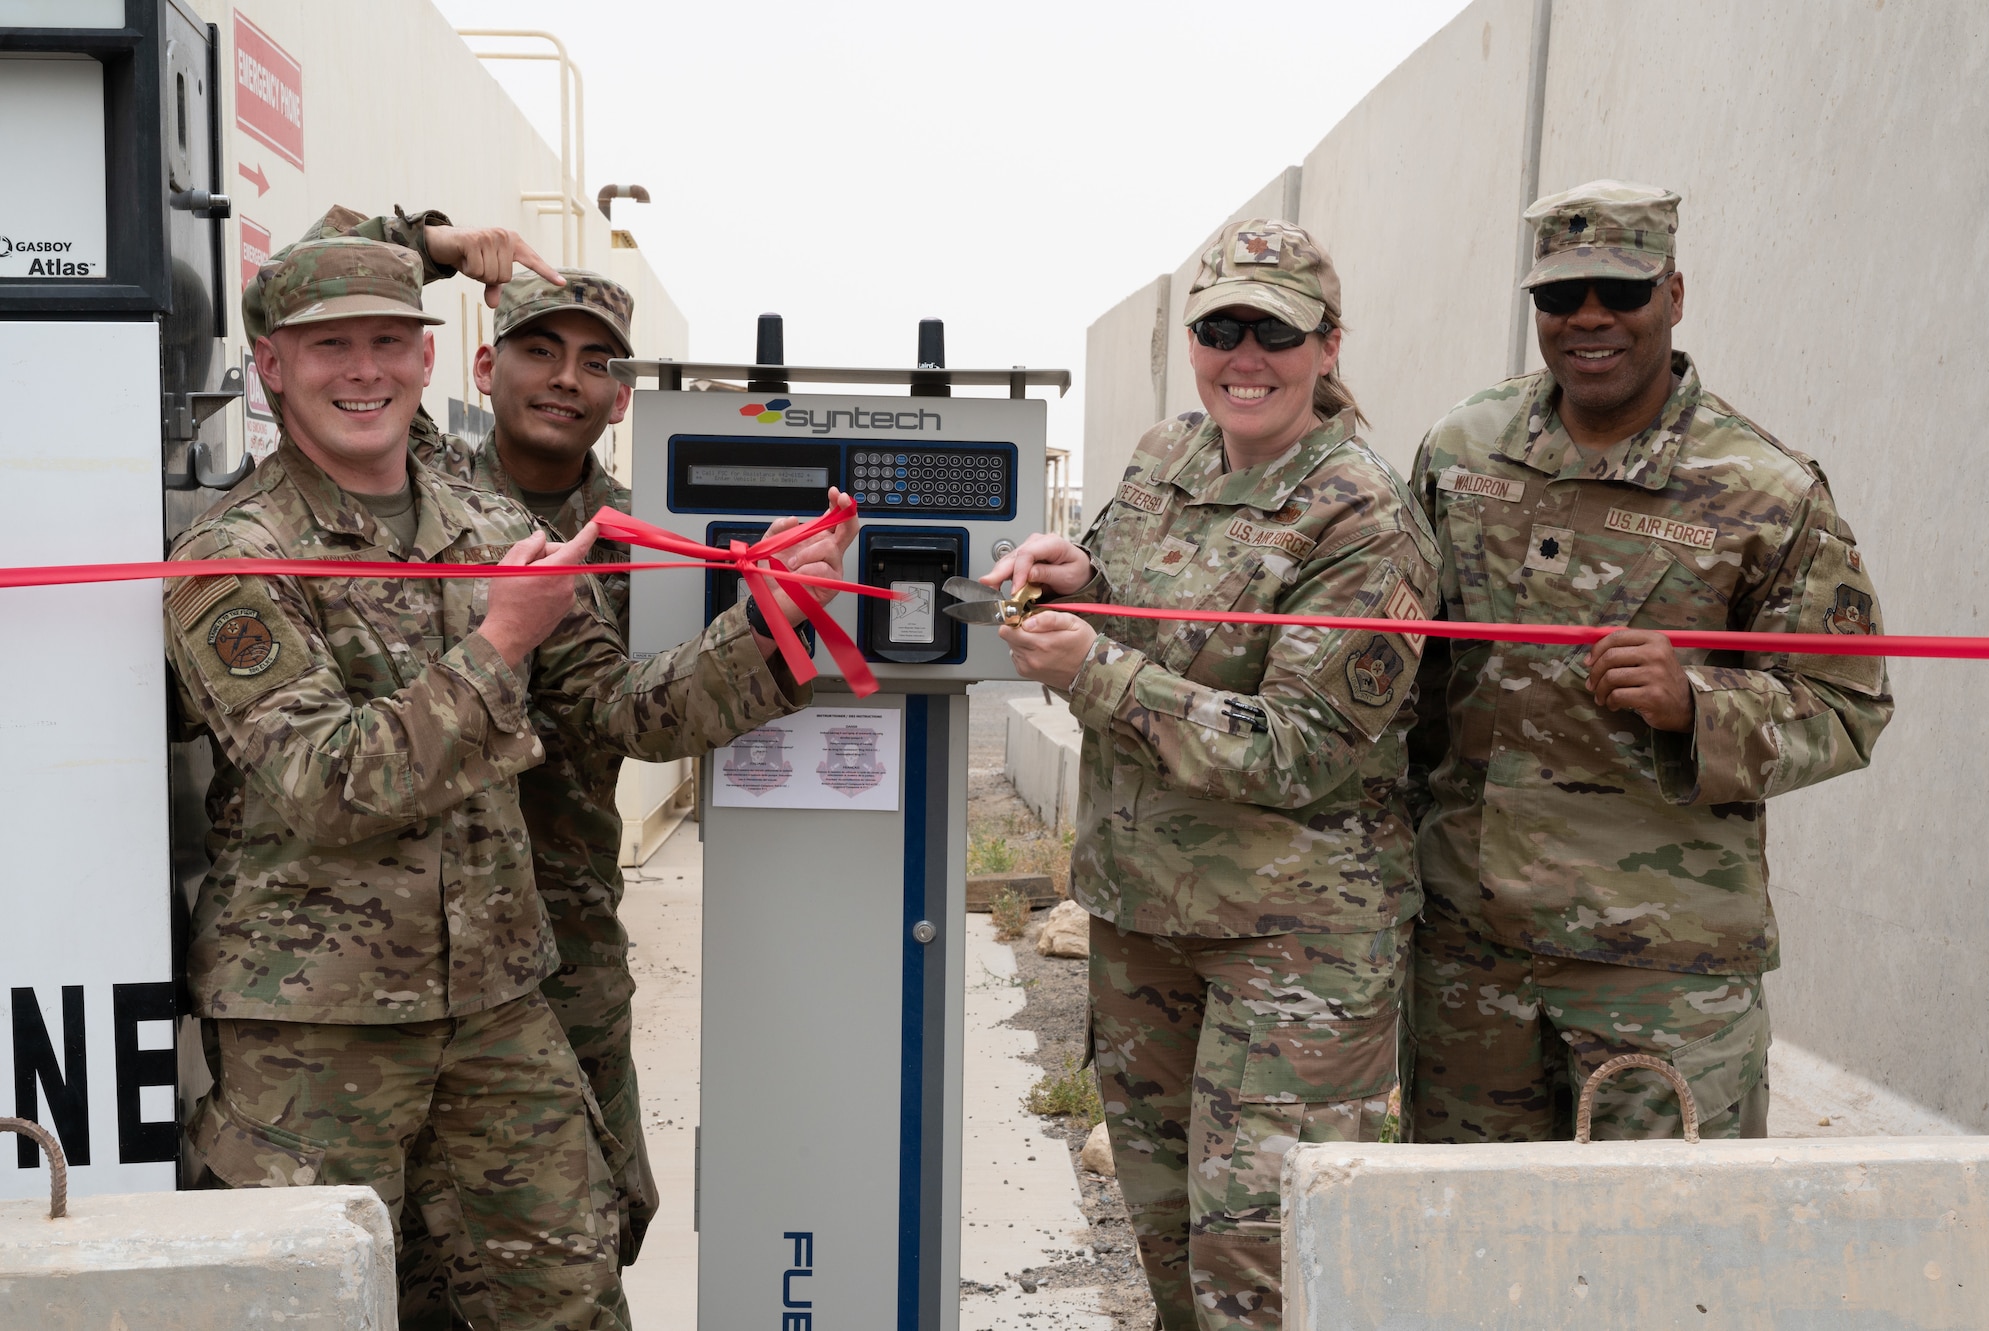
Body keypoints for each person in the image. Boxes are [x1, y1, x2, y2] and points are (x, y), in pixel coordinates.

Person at [164, 236, 855, 1331]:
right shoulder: (232, 555)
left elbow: (621, 711)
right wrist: (496, 644)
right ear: (270, 366)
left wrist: (768, 625)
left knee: (567, 1296)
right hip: (316, 1030)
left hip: (498, 1002)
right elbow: (324, 779)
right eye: (329, 345)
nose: (364, 371)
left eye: (389, 342)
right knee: (303, 1309)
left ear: (427, 359)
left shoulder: (490, 530)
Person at [986, 220, 1440, 1331]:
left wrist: (1095, 667)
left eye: (1274, 331)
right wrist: (1077, 576)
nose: (1245, 353)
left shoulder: (1363, 516)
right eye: (1219, 326)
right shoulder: (1164, 457)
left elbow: (1296, 745)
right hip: (1144, 919)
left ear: (1327, 346)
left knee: (1263, 1270)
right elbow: (1141, 592)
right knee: (1166, 1240)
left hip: (1292, 950)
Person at [1405, 181, 1893, 1144]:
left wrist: (1698, 703)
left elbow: (1848, 703)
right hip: (1472, 958)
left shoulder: (1763, 489)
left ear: (1674, 293)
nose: (1589, 317)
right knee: (1465, 1259)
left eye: (1620, 292)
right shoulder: (1464, 451)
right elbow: (1396, 663)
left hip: (1661, 974)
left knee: (1661, 1265)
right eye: (1560, 295)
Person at [411, 269, 660, 1270]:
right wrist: (438, 244)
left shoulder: (644, 540)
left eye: (595, 362)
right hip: (409, 936)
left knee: (587, 1220)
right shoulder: (420, 507)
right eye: (538, 350)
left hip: (562, 925)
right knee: (413, 1238)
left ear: (622, 395)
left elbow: (656, 704)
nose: (566, 380)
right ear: (485, 364)